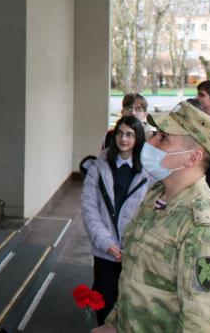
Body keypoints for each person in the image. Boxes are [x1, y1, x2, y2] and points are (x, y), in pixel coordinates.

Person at [92, 101, 210, 333]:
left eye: (162, 138)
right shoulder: (156, 196)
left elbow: (203, 324)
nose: (149, 142)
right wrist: (114, 323)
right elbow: (136, 279)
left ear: (192, 157)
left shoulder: (206, 228)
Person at [81, 116, 152, 324]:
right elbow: (89, 208)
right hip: (106, 251)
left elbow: (150, 214)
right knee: (105, 303)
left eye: (130, 134)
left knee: (132, 306)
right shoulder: (98, 167)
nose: (124, 139)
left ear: (138, 138)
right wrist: (106, 243)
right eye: (120, 133)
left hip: (135, 253)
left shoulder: (148, 173)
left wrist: (133, 244)